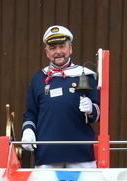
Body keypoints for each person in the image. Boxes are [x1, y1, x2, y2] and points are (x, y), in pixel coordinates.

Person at [22, 25, 100, 169]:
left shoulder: (85, 75)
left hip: (80, 153)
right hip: (47, 154)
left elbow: (98, 114)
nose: (58, 52)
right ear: (47, 52)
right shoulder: (38, 78)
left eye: (62, 46)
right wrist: (28, 130)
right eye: (52, 48)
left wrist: (91, 109)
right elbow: (31, 113)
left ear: (70, 48)